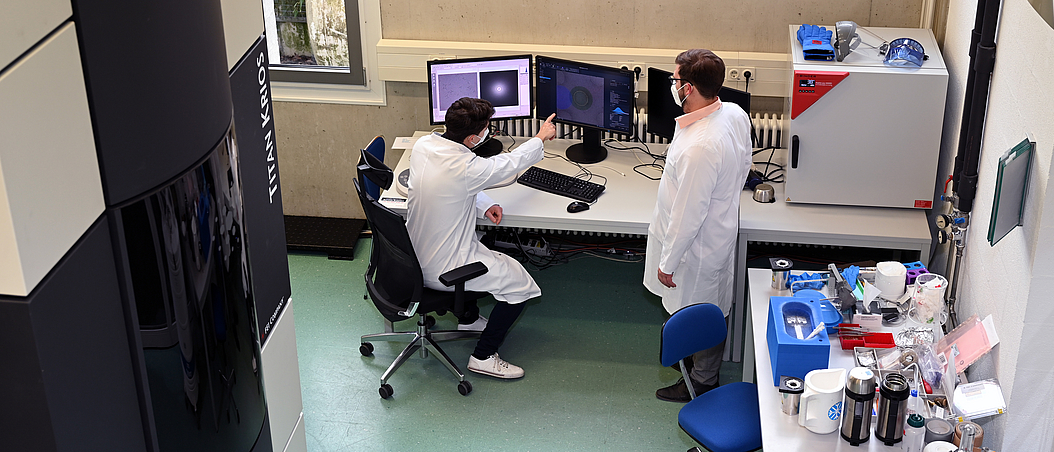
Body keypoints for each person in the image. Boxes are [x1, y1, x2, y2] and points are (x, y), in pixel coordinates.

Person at [406, 97, 557, 379]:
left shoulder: (425, 146)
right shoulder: (466, 167)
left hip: (411, 257)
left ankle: (469, 319)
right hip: (444, 268)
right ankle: (483, 356)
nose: (491, 132)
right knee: (520, 285)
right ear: (474, 137)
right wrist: (540, 138)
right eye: (488, 128)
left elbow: (449, 185)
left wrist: (483, 203)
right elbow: (508, 164)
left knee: (484, 246)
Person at [643, 49, 753, 402]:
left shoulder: (700, 147)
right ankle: (694, 364)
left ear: (688, 88)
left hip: (696, 246)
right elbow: (746, 162)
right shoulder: (732, 112)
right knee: (709, 303)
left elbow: (688, 213)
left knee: (701, 310)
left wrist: (668, 262)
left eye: (675, 80)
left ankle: (703, 381)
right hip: (716, 232)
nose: (672, 85)